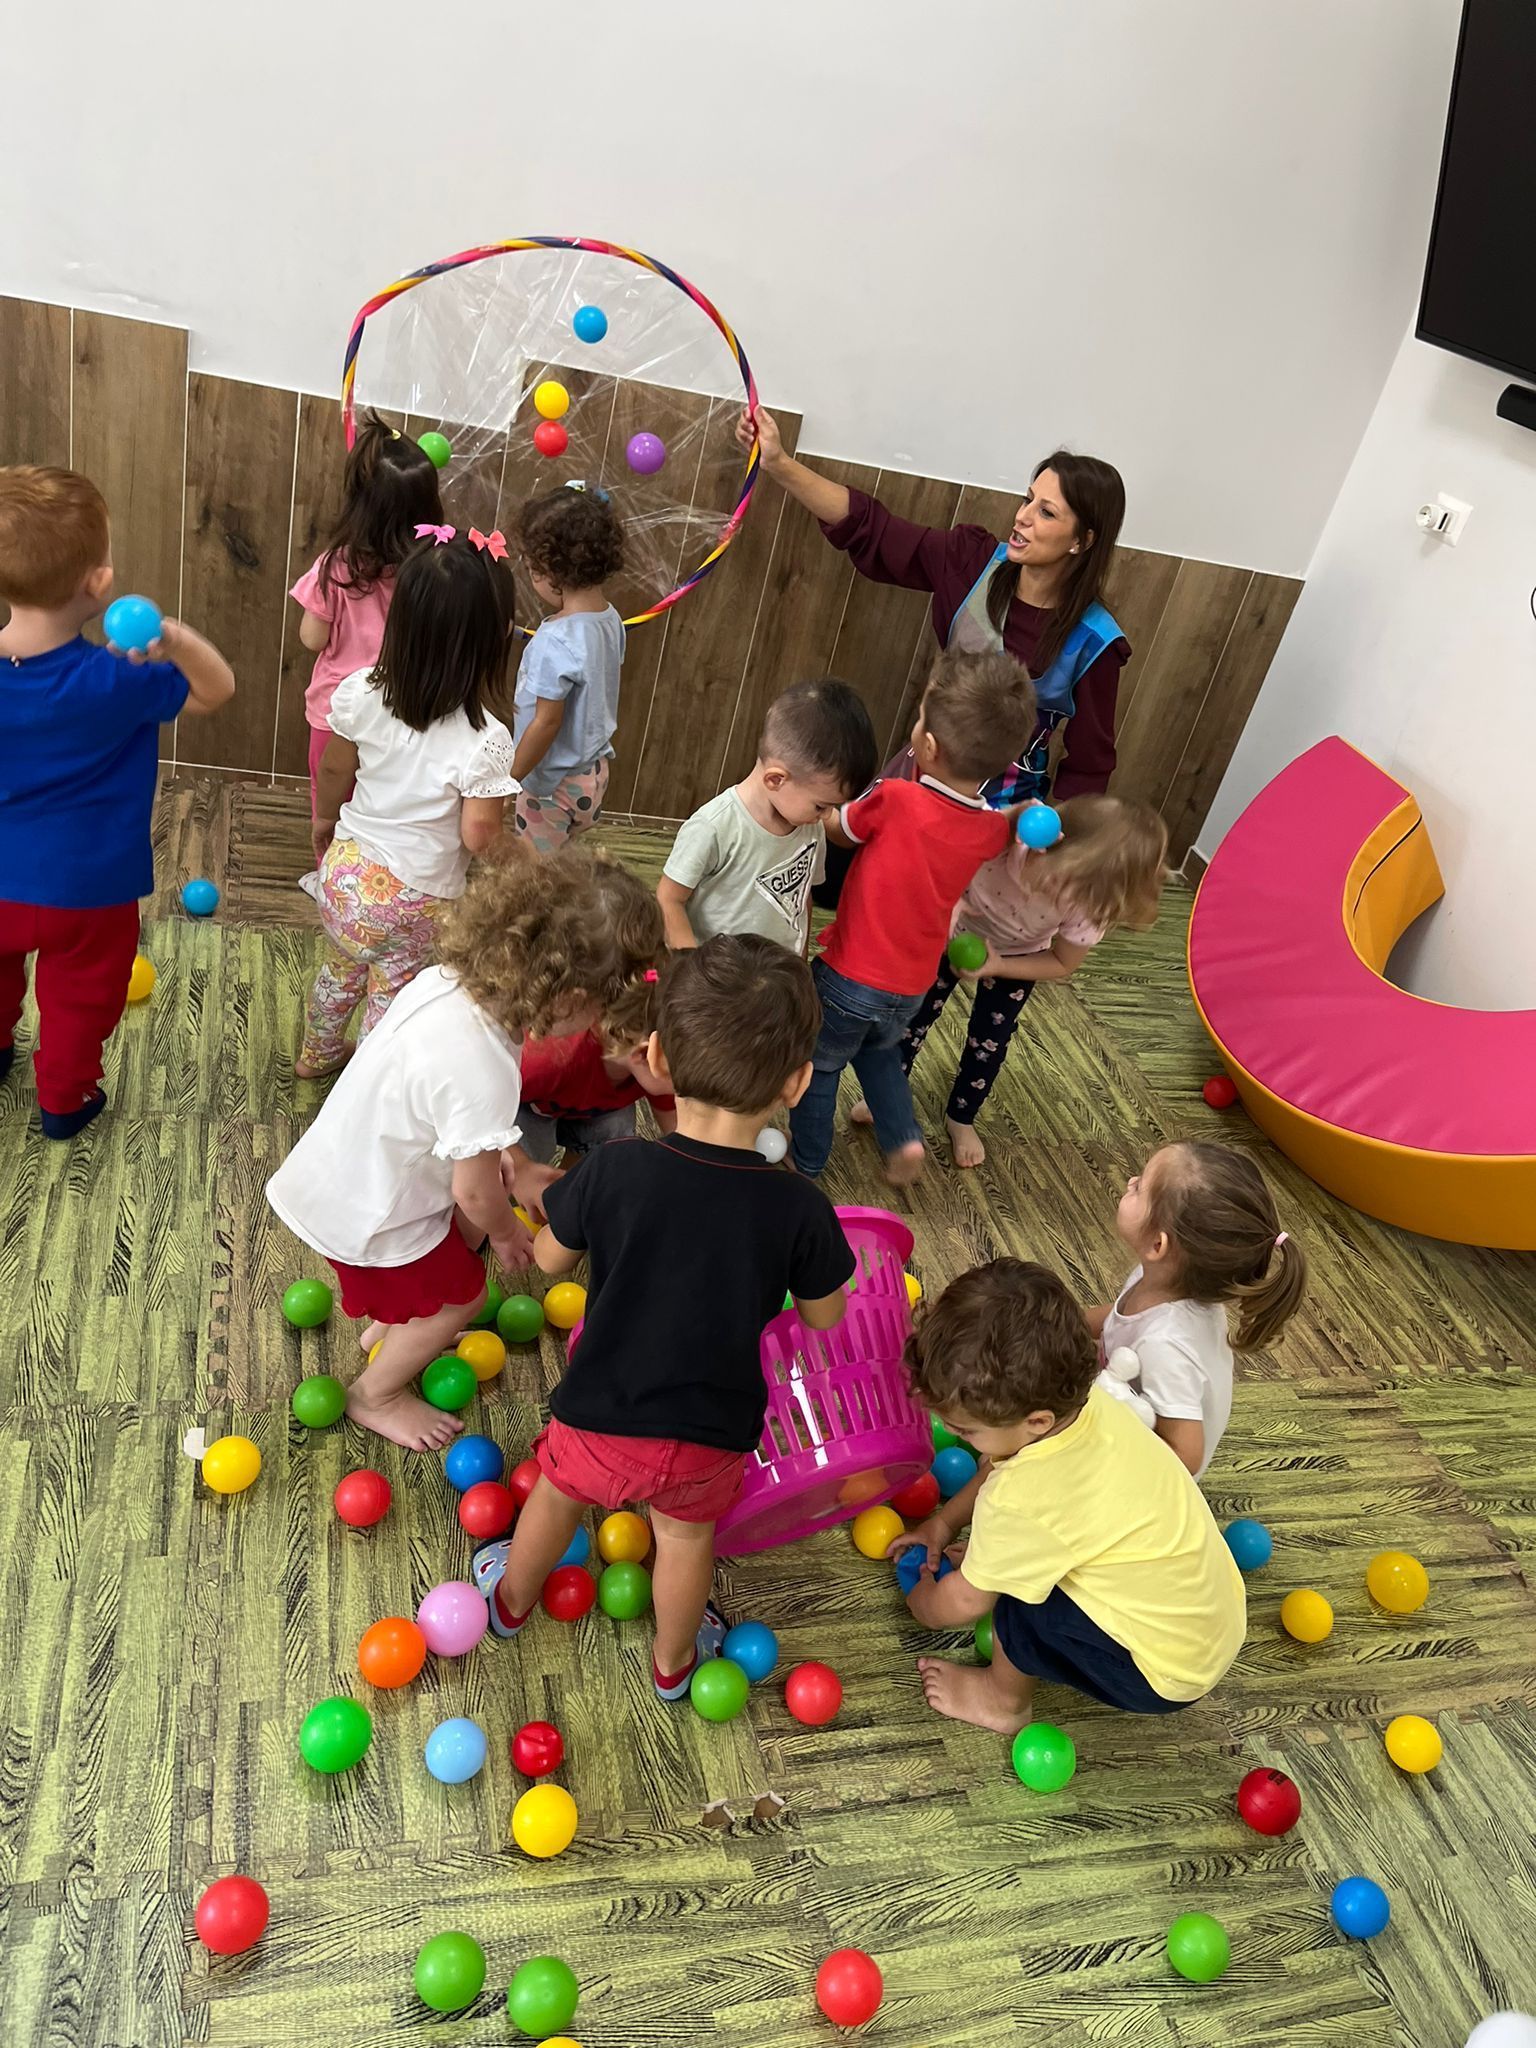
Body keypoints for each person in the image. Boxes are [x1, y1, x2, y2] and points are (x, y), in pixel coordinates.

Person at [471, 934, 855, 1702]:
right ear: (797, 1083)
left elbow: (547, 1265)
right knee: (684, 1541)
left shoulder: (614, 1170)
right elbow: (825, 1315)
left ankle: (509, 1605)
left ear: (659, 1058)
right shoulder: (800, 1209)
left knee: (555, 1491)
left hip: (599, 1413)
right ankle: (674, 1665)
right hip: (708, 1435)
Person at [266, 848, 662, 1453]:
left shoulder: (445, 984)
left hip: (343, 1171)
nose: (595, 1026)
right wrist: (504, 1232)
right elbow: (471, 1191)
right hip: (373, 1210)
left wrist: (507, 1162)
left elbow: (437, 1109)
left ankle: (398, 1326)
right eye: (598, 1008)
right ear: (564, 997)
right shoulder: (484, 1066)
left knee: (441, 1276)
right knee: (464, 1299)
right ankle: (377, 1394)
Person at [740, 408, 1129, 905]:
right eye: (1028, 499)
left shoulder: (1097, 643)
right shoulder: (971, 563)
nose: (1023, 517)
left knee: (931, 925)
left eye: (1047, 512)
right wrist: (778, 463)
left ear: (1082, 540)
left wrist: (1061, 854)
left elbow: (1090, 766)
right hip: (918, 776)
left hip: (999, 821)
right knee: (838, 886)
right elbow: (873, 529)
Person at [890, 1259, 1247, 1736]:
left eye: (966, 1430)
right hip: (1208, 1622)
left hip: (1158, 1672)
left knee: (1019, 1605)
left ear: (1036, 1421)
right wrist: (944, 1523)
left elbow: (968, 1602)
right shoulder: (1090, 1402)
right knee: (1016, 1548)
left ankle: (1001, 1701)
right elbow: (1004, 1467)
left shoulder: (1021, 1500)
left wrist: (925, 1601)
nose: (956, 1433)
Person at [0, 465, 236, 1139]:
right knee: (80, 998)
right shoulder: (116, 681)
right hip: (89, 889)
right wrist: (178, 639)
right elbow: (215, 691)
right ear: (99, 584)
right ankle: (64, 1102)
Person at [788, 648, 1034, 1184]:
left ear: (926, 745)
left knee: (820, 1062)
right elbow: (1008, 825)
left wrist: (822, 809)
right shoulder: (988, 827)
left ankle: (805, 1162)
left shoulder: (897, 798)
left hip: (851, 976)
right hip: (913, 986)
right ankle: (905, 1141)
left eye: (920, 718)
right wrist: (1025, 813)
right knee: (879, 1058)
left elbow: (840, 830)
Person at [298, 530, 519, 1079]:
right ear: (497, 639)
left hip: (345, 877)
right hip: (417, 901)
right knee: (391, 994)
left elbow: (333, 768)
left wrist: (325, 821)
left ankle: (316, 1056)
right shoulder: (485, 739)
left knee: (341, 968)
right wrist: (525, 864)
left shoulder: (358, 692)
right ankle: (366, 1084)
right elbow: (480, 835)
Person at [869, 795, 1167, 1168]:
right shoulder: (1003, 837)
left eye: (1090, 896)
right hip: (947, 932)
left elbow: (1061, 962)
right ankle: (886, 1094)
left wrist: (998, 966)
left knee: (988, 1043)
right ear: (1052, 846)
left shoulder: (1091, 902)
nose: (1075, 901)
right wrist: (947, 901)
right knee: (913, 1016)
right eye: (1073, 885)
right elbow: (934, 847)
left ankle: (961, 1117)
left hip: (1017, 956)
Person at [1087, 1143, 1308, 1478]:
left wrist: (1104, 1437)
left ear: (1158, 1245)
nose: (1130, 1181)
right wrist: (1056, 1317)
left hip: (1152, 1476)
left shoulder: (1166, 1346)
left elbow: (1185, 1458)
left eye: (1140, 1187)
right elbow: (1120, 1318)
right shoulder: (1165, 1279)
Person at [289, 410, 446, 818]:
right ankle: (371, 877)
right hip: (400, 714)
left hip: (336, 713)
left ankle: (330, 871)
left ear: (359, 504)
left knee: (329, 800)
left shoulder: (336, 565)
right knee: (380, 806)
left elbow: (312, 638)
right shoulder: (430, 571)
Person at [658, 677, 877, 954]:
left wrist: (799, 959)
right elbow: (668, 899)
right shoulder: (714, 827)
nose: (827, 816)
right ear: (776, 779)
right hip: (716, 980)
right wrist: (690, 966)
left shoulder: (810, 826)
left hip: (772, 979)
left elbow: (801, 896)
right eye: (821, 806)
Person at [510, 484, 626, 851]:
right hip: (592, 776)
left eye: (531, 570)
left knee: (537, 877)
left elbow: (546, 722)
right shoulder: (611, 620)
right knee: (563, 861)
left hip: (550, 784)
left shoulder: (554, 641)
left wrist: (510, 779)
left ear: (552, 570)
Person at [518, 965, 677, 1163]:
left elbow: (678, 1135)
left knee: (616, 1138)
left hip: (584, 1106)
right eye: (687, 1082)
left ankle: (573, 1184)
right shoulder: (545, 1062)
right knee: (527, 1159)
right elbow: (477, 1115)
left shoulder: (657, 1063)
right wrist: (521, 1167)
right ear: (644, 1054)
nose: (689, 1093)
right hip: (525, 1104)